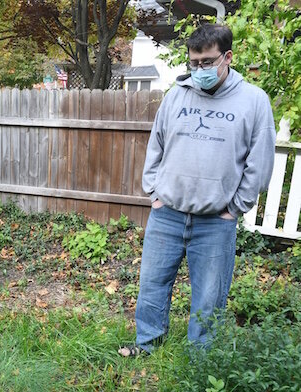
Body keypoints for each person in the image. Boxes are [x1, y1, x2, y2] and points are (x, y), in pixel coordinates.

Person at [118, 23, 276, 357]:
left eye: (206, 62)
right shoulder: (177, 95)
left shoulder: (253, 102)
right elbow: (156, 145)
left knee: (208, 295)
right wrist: (154, 193)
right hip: (168, 215)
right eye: (193, 63)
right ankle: (147, 345)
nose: (199, 70)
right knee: (151, 286)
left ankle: (200, 362)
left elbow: (258, 164)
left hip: (215, 222)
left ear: (227, 57)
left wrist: (234, 209)